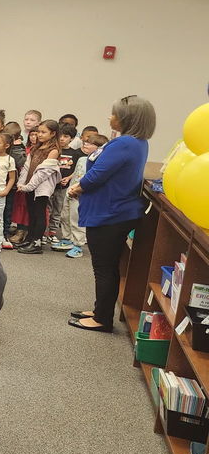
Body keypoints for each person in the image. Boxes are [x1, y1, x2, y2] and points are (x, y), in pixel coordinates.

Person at [67, 96, 155, 332]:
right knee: (107, 266)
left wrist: (79, 187)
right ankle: (100, 310)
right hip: (114, 211)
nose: (110, 117)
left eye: (114, 113)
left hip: (110, 214)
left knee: (104, 267)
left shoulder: (125, 143)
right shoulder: (135, 142)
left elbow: (98, 175)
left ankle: (102, 319)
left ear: (127, 118)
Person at [15, 120, 62, 254]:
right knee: (32, 214)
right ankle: (30, 238)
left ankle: (36, 243)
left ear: (53, 134)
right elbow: (27, 167)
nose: (39, 135)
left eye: (43, 132)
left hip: (40, 189)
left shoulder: (53, 151)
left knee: (39, 214)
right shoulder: (36, 147)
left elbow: (43, 173)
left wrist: (29, 186)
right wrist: (21, 183)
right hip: (29, 187)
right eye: (38, 132)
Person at [58, 134, 106, 259]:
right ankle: (66, 238)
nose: (85, 145)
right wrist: (69, 178)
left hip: (80, 194)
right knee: (65, 215)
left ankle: (78, 245)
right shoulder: (83, 159)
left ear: (100, 148)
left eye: (90, 143)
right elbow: (76, 172)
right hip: (70, 189)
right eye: (85, 142)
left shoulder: (99, 163)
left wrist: (79, 190)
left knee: (76, 219)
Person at [49, 124, 84, 252]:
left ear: (72, 138)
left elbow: (76, 171)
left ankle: (53, 232)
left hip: (64, 187)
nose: (62, 139)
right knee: (48, 208)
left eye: (66, 136)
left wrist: (68, 178)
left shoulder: (75, 154)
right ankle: (45, 233)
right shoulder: (53, 151)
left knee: (59, 210)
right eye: (60, 136)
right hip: (51, 184)